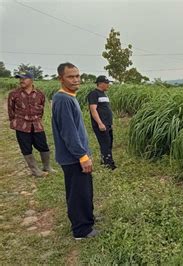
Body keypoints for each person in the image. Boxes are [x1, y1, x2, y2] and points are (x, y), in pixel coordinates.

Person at [51, 62, 98, 239]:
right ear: (60, 78)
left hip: (75, 157)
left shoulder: (68, 97)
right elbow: (69, 132)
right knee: (78, 193)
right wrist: (82, 156)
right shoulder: (63, 100)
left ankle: (86, 218)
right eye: (70, 76)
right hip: (73, 158)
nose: (75, 79)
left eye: (77, 76)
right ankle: (81, 230)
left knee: (82, 191)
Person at [7, 71, 53, 177]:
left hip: (37, 124)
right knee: (26, 148)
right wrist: (15, 122)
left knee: (43, 145)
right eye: (20, 78)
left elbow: (41, 110)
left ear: (31, 80)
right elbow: (11, 111)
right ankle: (35, 171)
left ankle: (47, 167)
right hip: (21, 125)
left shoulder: (40, 94)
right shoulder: (14, 94)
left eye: (24, 78)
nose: (21, 80)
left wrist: (37, 119)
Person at [87, 75, 116, 170]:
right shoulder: (94, 94)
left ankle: (105, 160)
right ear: (100, 84)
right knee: (105, 143)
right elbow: (93, 110)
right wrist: (100, 123)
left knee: (109, 143)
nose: (108, 85)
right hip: (101, 124)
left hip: (107, 124)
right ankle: (108, 164)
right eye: (106, 83)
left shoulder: (104, 94)